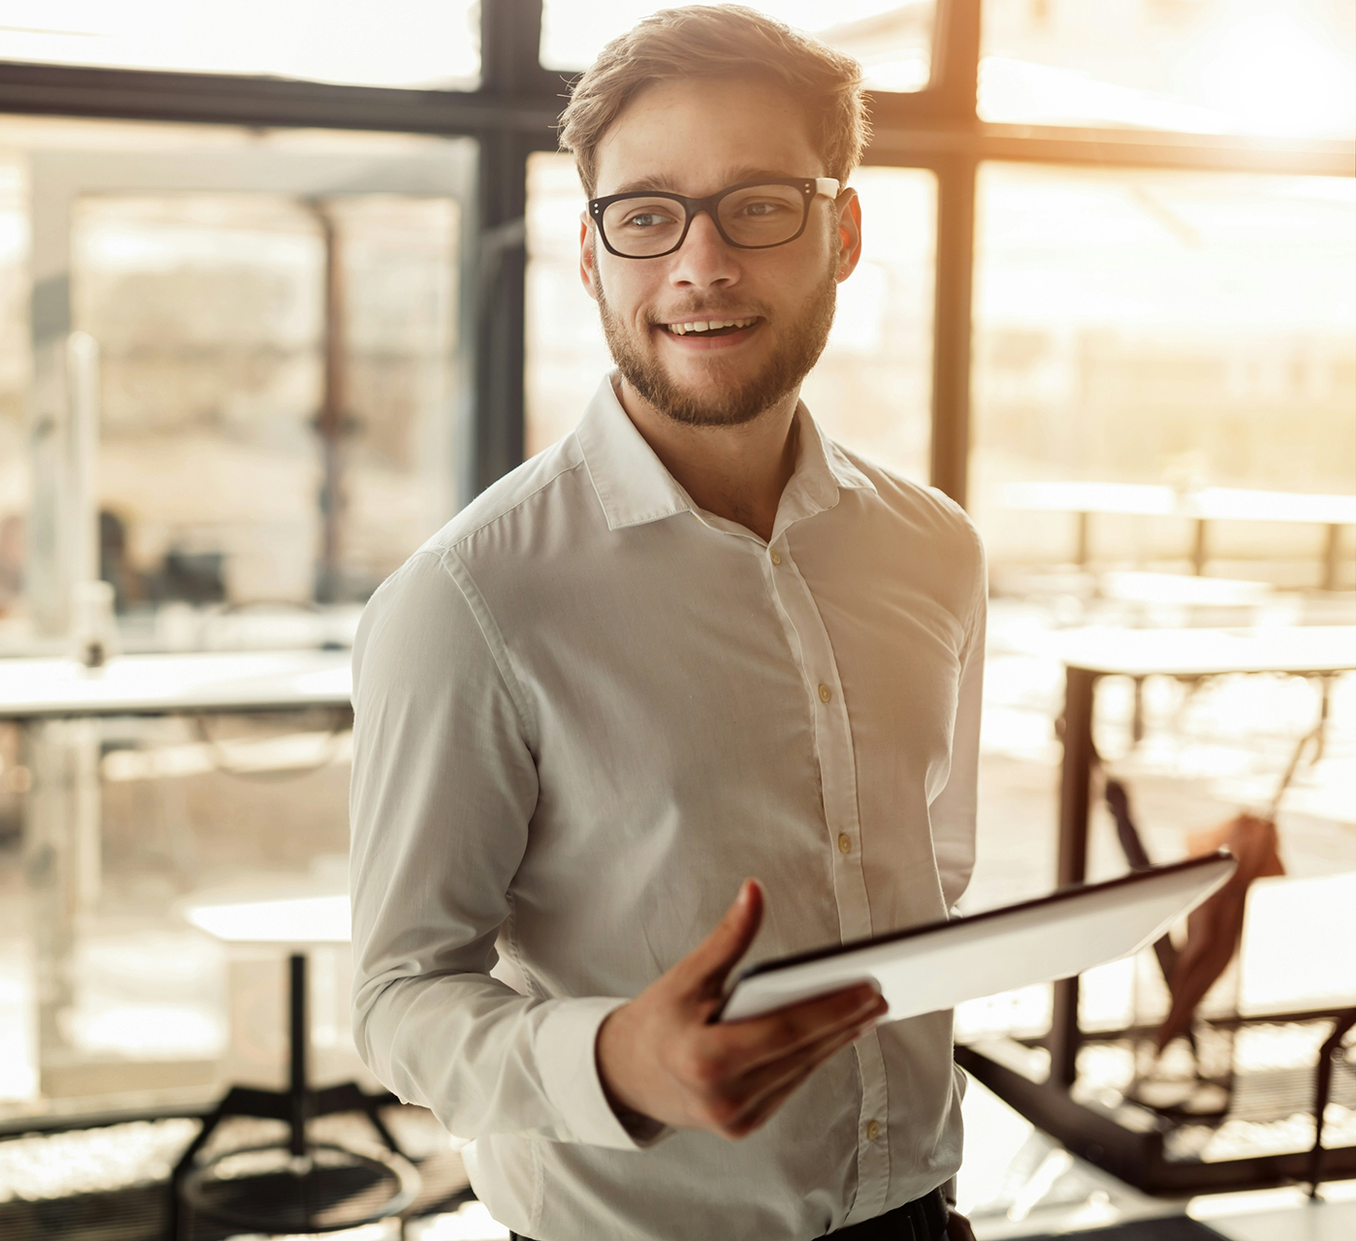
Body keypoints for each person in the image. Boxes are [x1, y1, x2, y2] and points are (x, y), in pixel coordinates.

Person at [348, 8, 984, 1240]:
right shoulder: (471, 597)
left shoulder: (934, 548)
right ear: (590, 256)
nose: (700, 264)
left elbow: (926, 878)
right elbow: (395, 997)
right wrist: (612, 1058)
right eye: (645, 215)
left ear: (842, 232)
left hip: (922, 1216)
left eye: (758, 204)